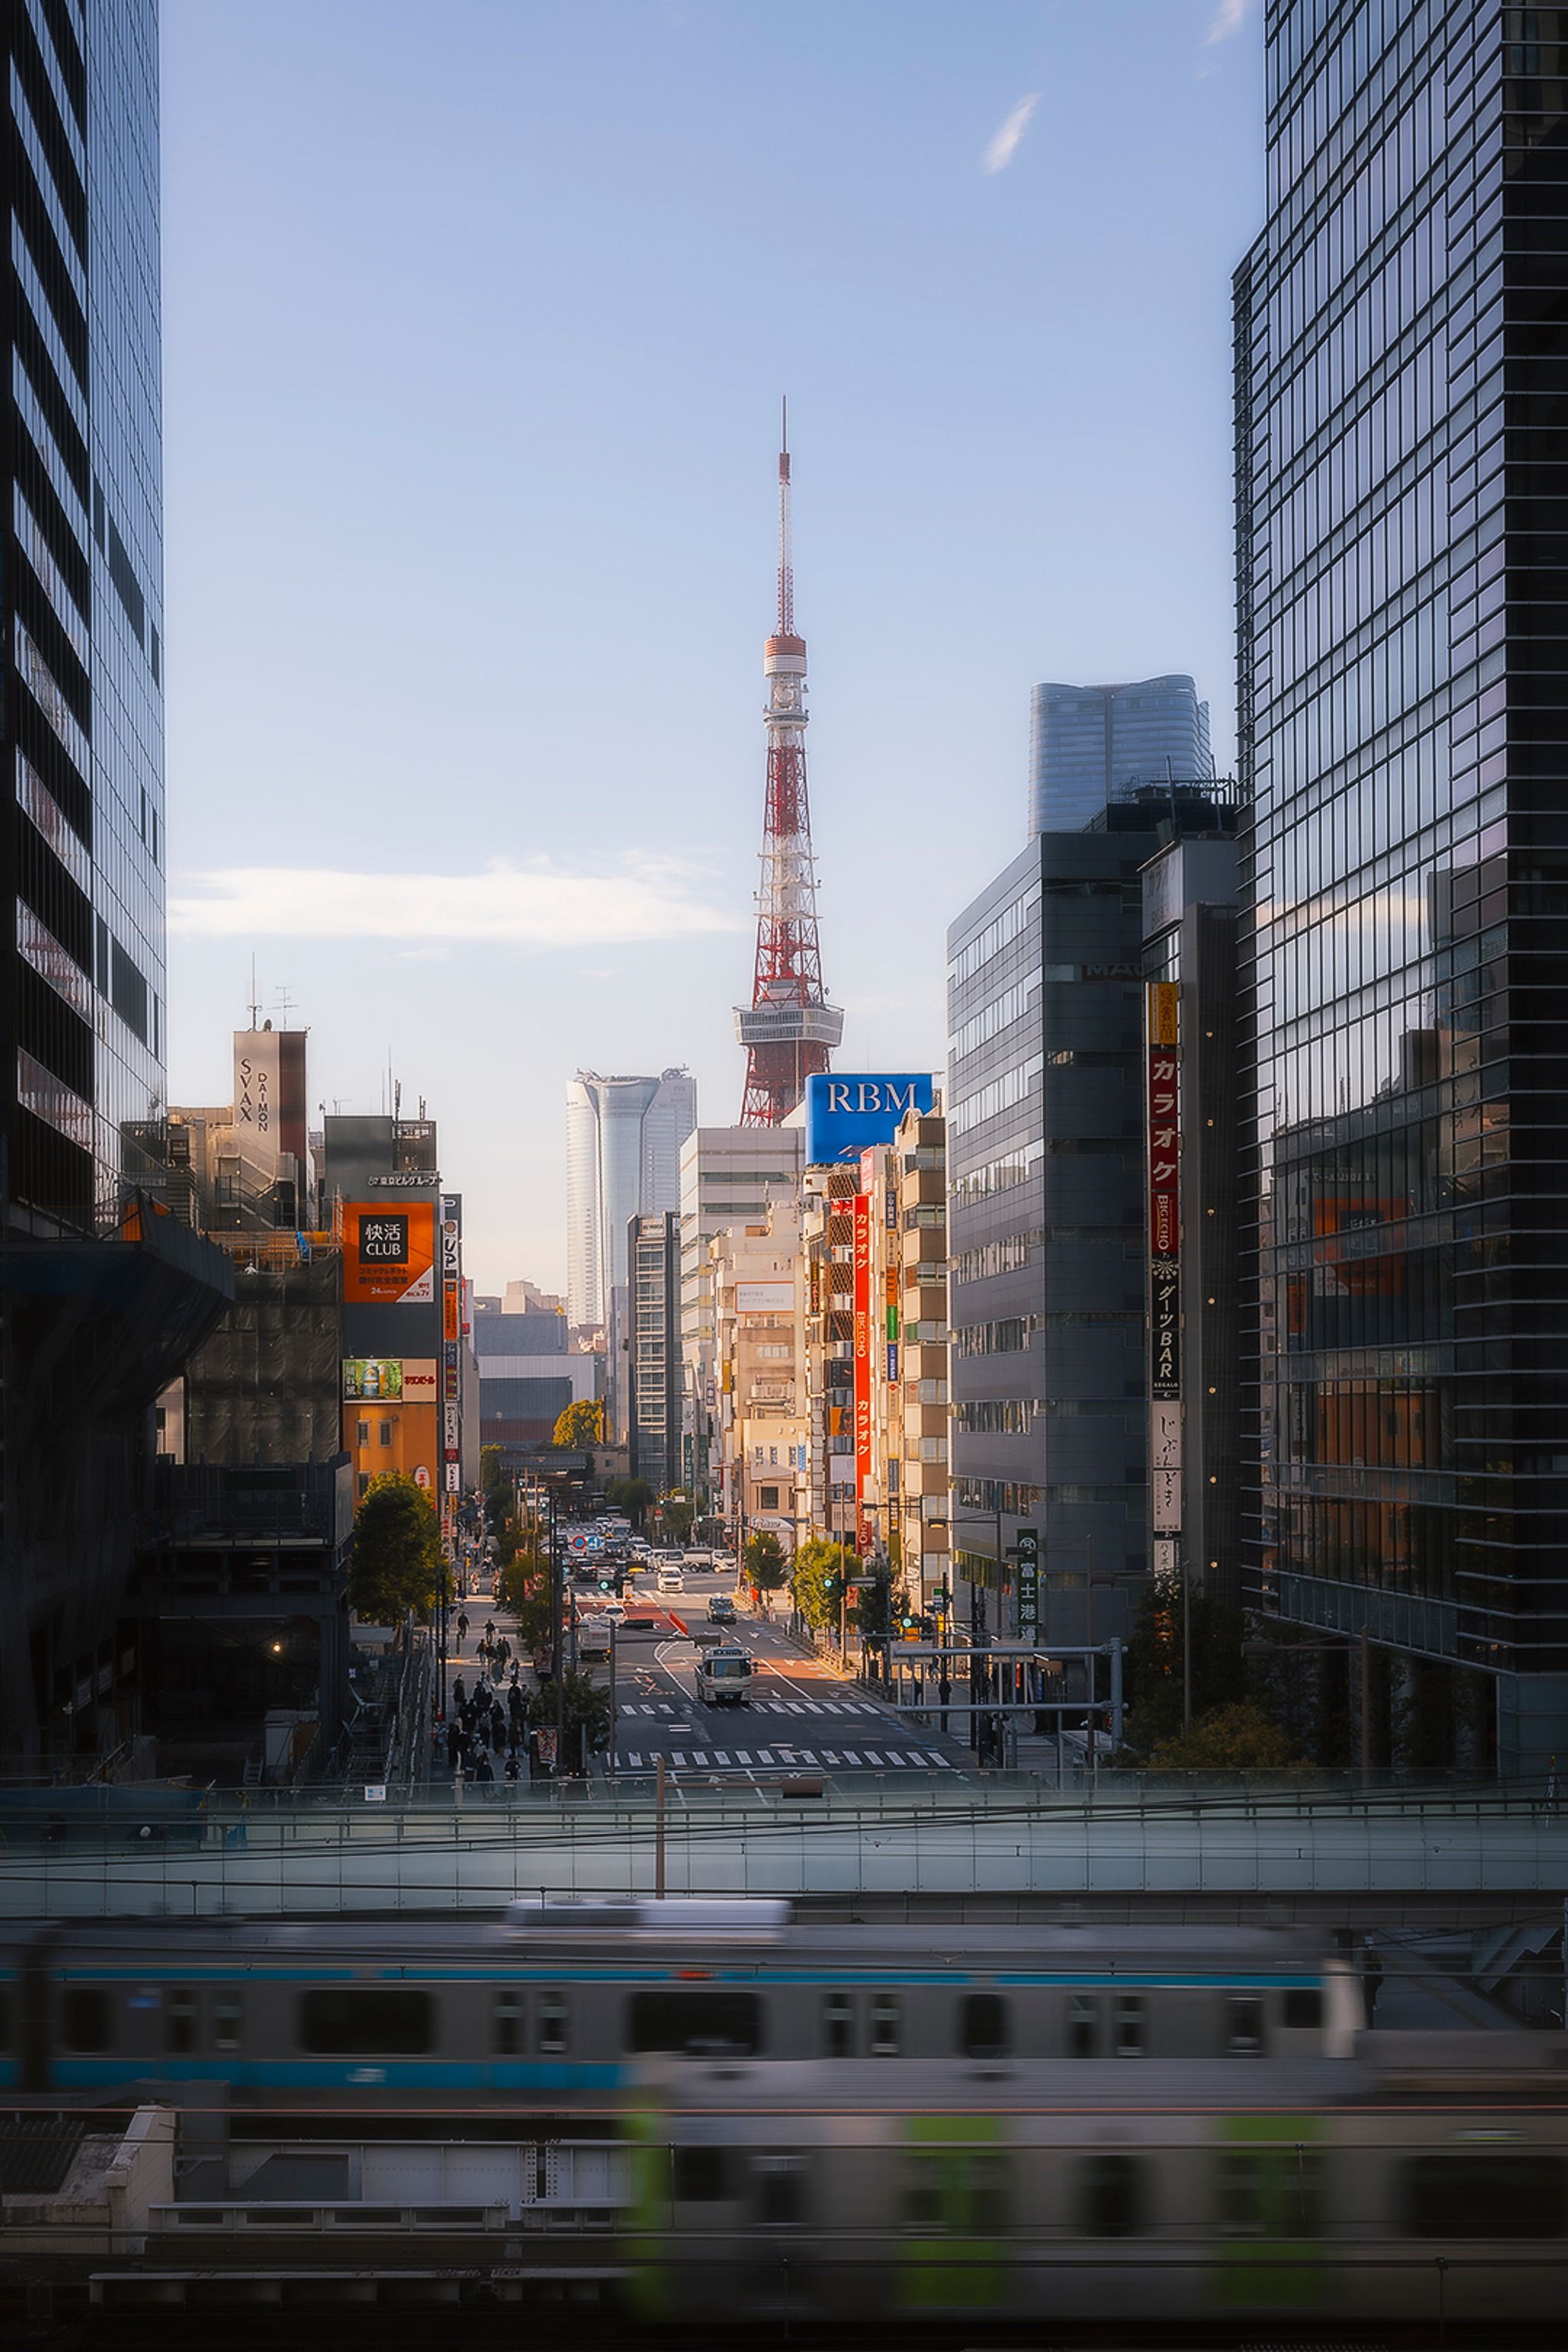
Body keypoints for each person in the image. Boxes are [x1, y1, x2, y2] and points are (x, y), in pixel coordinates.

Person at [1362, 1936, 1384, 2025]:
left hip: (1373, 1975)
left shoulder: (1370, 1954)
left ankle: (1373, 2003)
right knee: (1371, 1990)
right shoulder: (1368, 1955)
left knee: (1373, 1990)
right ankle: (1372, 2004)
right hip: (1372, 1976)